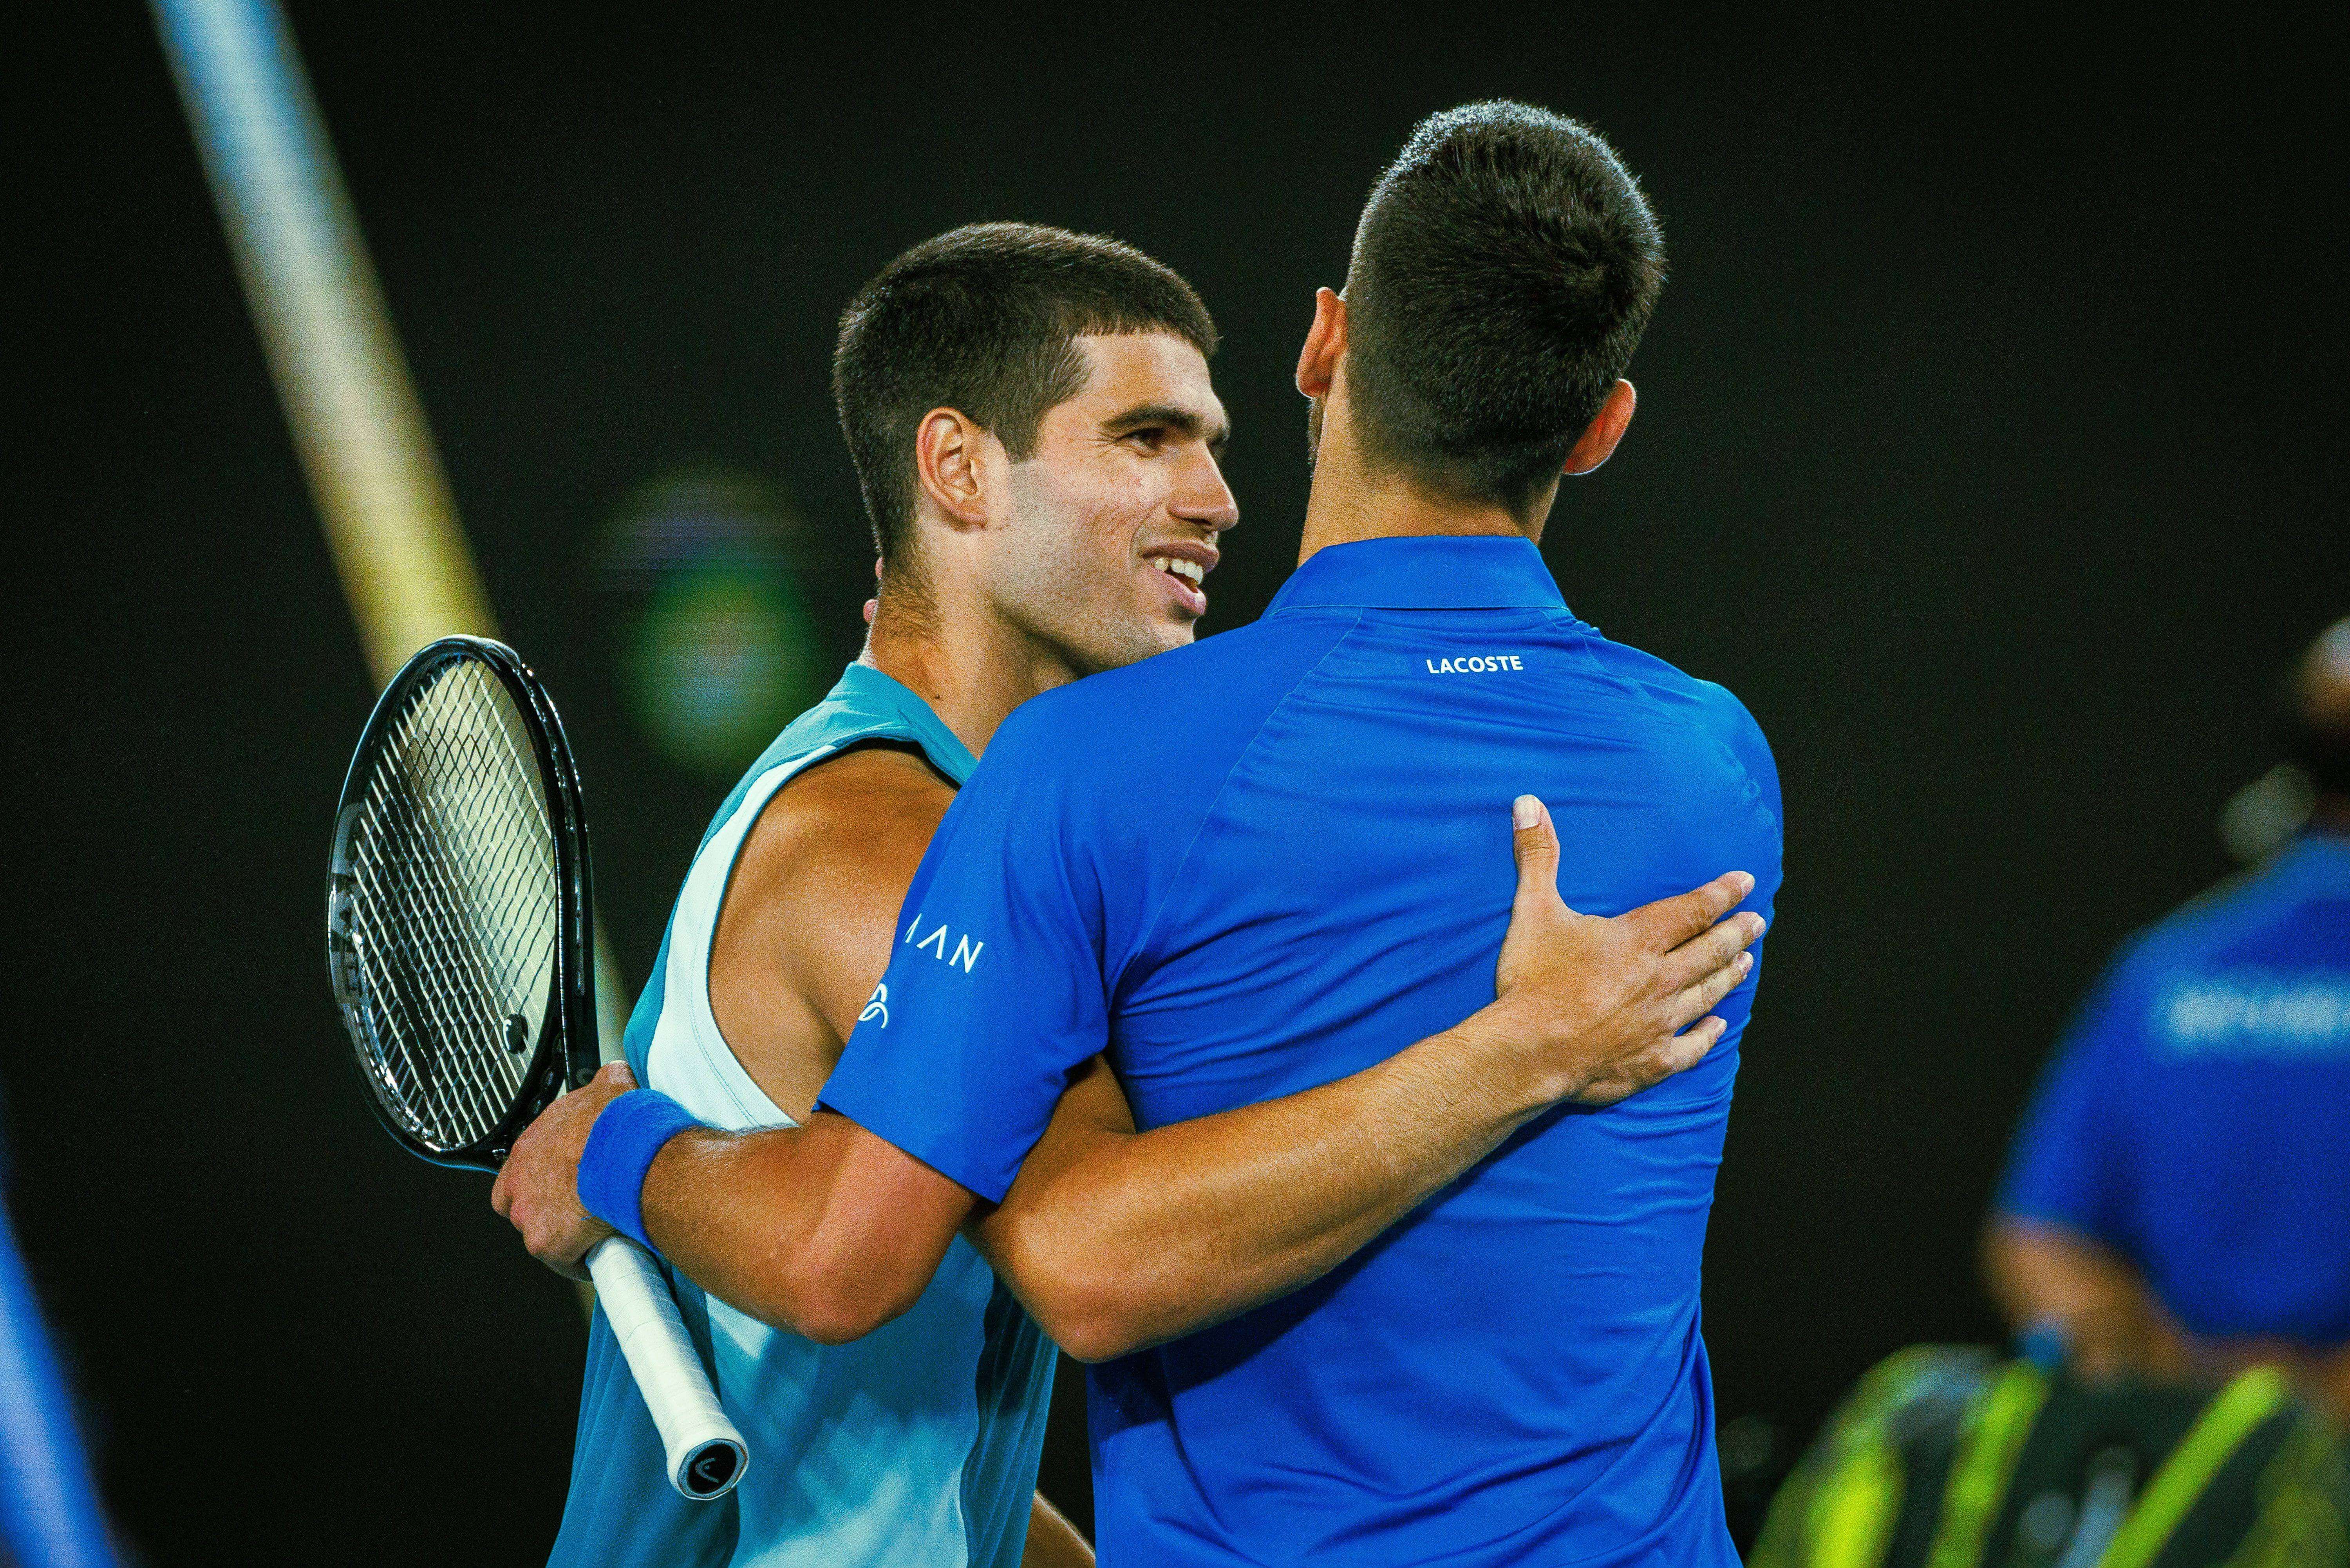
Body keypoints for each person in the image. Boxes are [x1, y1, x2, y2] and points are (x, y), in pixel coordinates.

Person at [526, 219, 1765, 1566]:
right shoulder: (885, 841)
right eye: (1146, 440)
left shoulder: (954, 801)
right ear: (957, 469)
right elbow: (863, 1258)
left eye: (1216, 443)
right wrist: (609, 1153)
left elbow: (928, 1461)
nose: (1218, 497)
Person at [1987, 616, 2350, 1421]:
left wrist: (2167, 1384)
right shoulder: (2162, 972)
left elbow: (2036, 1238)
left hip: (2195, 1477)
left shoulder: (2168, 969)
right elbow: (2037, 1233)